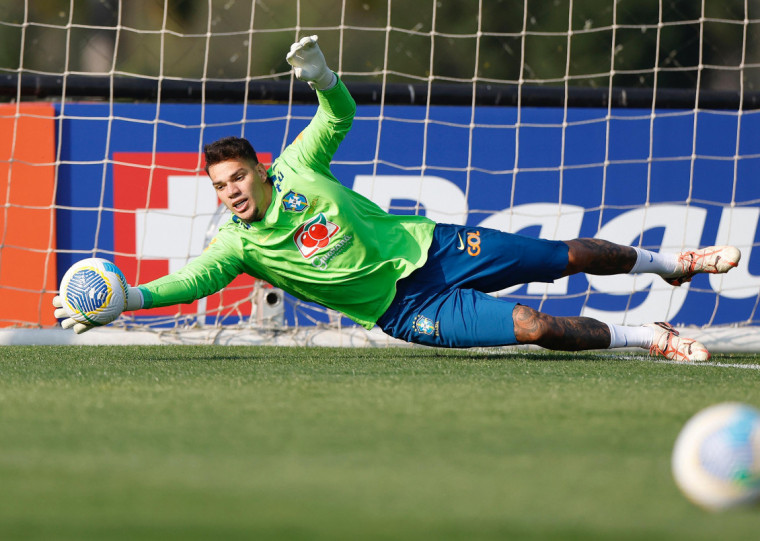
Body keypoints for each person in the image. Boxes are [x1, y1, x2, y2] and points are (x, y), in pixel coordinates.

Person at [53, 36, 741, 362]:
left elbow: (338, 117)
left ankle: (668, 261)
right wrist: (127, 299)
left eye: (235, 178)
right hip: (408, 308)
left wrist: (322, 77)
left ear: (258, 170)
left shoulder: (296, 165)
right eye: (218, 186)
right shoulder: (237, 245)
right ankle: (650, 337)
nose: (228, 192)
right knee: (534, 326)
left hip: (432, 247)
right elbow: (191, 279)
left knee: (561, 255)